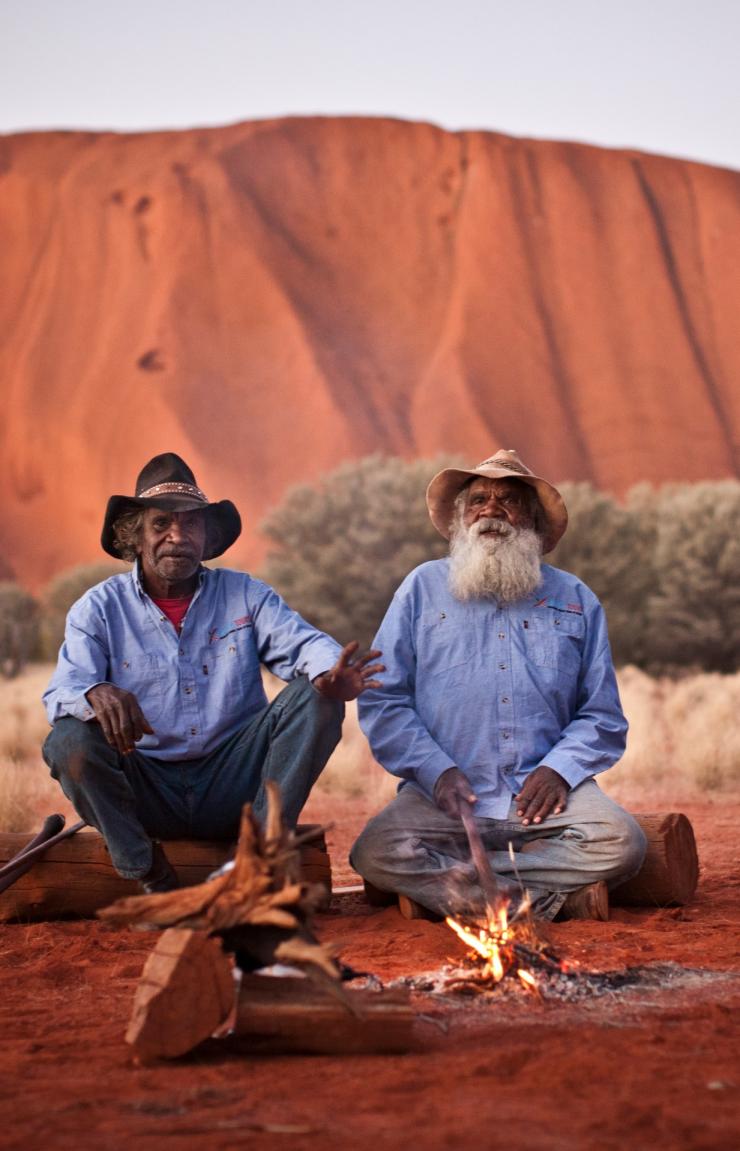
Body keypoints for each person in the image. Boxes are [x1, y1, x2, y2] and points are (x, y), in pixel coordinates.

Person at [43, 453, 383, 893]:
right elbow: (61, 693)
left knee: (319, 699)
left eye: (192, 525)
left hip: (235, 785)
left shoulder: (245, 595)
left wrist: (328, 674)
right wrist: (95, 693)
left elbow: (304, 644)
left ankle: (259, 858)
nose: (177, 537)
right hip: (147, 790)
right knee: (69, 740)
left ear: (207, 537)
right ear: (137, 536)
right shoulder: (99, 608)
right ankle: (147, 872)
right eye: (161, 524)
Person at [351, 449, 646, 921]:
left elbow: (601, 714)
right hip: (447, 795)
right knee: (375, 851)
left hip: (545, 799)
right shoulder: (421, 588)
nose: (491, 510)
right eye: (479, 499)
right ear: (459, 518)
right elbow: (385, 697)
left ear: (531, 520)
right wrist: (435, 770)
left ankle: (468, 889)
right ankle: (544, 897)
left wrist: (559, 770)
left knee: (623, 843)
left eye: (508, 500)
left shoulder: (575, 599)